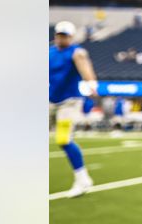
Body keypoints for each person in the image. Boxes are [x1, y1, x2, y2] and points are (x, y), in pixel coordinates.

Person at [50, 20, 99, 197]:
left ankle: (82, 178)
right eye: (59, 35)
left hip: (69, 102)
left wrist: (92, 84)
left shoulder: (76, 52)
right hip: (50, 100)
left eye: (65, 35)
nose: (61, 38)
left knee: (63, 139)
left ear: (70, 37)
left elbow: (85, 68)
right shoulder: (50, 52)